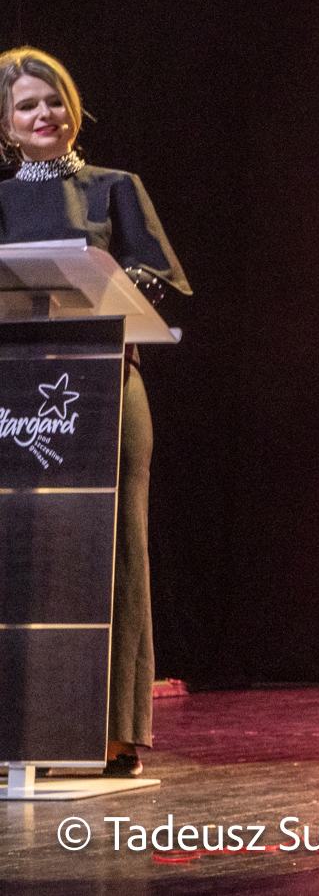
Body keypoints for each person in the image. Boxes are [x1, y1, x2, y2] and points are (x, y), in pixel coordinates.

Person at [0, 46, 189, 776]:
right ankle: (29, 731)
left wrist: (100, 279)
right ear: (6, 125)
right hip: (18, 394)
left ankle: (116, 731)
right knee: (24, 553)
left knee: (117, 552)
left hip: (108, 382)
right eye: (27, 105)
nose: (44, 114)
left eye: (54, 100)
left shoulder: (115, 187)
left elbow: (160, 278)